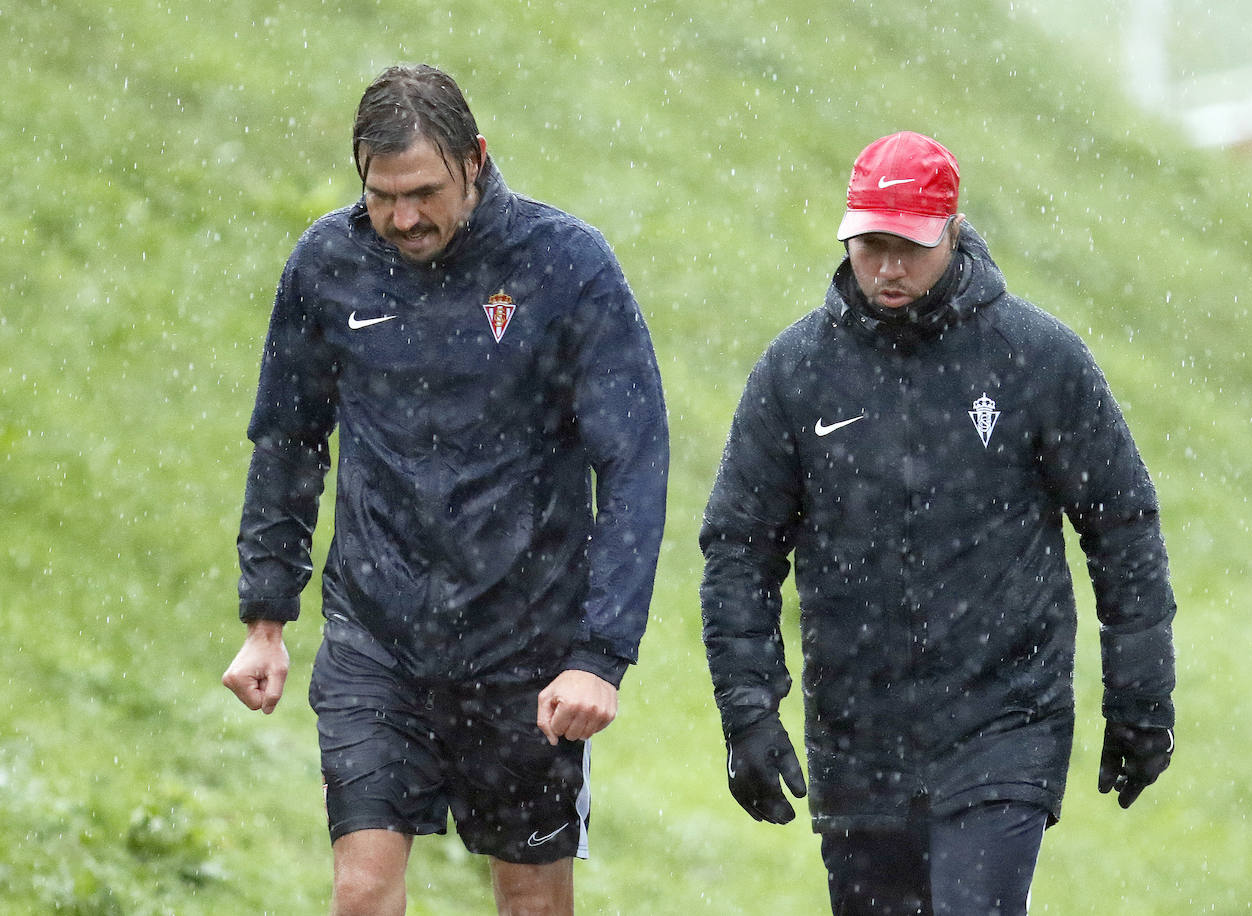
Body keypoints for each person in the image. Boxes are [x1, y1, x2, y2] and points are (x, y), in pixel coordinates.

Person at [222, 64, 669, 916]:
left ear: (475, 159)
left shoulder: (566, 265)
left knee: (532, 904)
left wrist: (599, 656)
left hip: (524, 650)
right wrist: (266, 617)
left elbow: (635, 462)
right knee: (360, 892)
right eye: (382, 194)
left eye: (423, 191)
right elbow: (287, 440)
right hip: (375, 642)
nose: (403, 217)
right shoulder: (327, 265)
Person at [699, 131, 1176, 914]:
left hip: (1004, 724)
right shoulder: (796, 373)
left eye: (910, 247)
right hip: (858, 738)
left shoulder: (1036, 358)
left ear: (952, 232)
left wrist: (1141, 697)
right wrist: (747, 712)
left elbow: (1122, 524)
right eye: (870, 245)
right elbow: (738, 549)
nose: (888, 267)